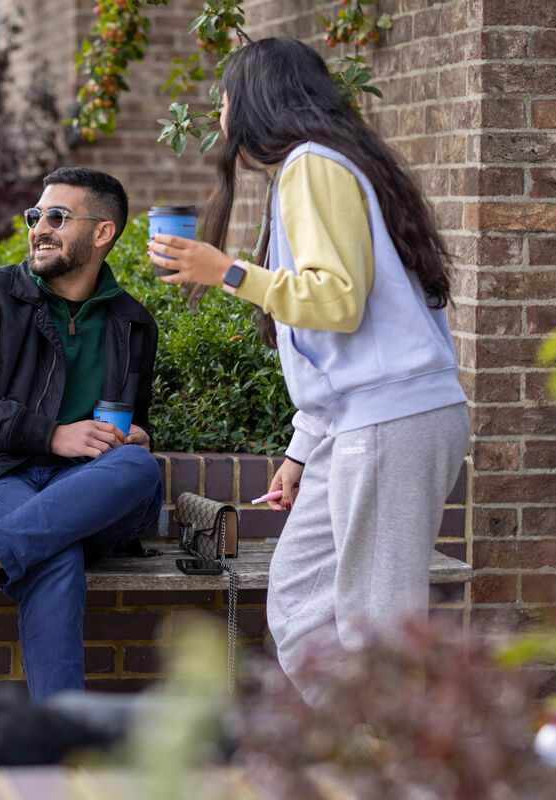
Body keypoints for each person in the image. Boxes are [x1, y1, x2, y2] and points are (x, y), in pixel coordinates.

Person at [147, 37, 470, 702]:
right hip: (368, 419)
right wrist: (301, 452)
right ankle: (356, 746)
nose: (221, 115)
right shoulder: (324, 167)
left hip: (391, 419)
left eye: (227, 98)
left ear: (259, 101)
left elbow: (336, 301)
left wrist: (227, 271)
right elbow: (338, 348)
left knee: (375, 624)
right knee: (300, 601)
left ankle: (391, 767)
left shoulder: (312, 168)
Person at [0, 167, 163, 699]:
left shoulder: (132, 323)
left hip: (77, 492)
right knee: (54, 555)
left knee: (139, 465)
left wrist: (137, 434)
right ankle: (62, 746)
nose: (39, 227)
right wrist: (50, 435)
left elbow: (129, 416)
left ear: (103, 233)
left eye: (57, 217)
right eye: (35, 216)